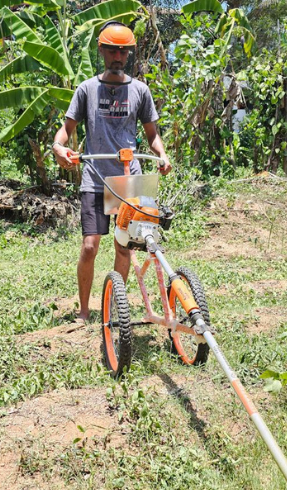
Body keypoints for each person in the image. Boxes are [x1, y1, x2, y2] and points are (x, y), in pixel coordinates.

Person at [52, 21, 172, 322]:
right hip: (95, 176)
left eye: (123, 52)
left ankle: (116, 310)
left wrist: (161, 153)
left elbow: (152, 134)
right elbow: (67, 129)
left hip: (129, 179)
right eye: (112, 51)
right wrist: (58, 147)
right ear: (102, 51)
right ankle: (83, 311)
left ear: (129, 54)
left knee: (124, 247)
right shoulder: (87, 89)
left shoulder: (140, 90)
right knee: (90, 246)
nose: (118, 57)